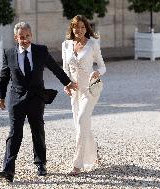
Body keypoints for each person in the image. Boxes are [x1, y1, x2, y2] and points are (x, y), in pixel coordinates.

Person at [0, 22, 78, 182]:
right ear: (16, 37)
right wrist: (1, 96)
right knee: (14, 133)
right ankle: (8, 169)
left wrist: (67, 83)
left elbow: (55, 67)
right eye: (21, 37)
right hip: (16, 99)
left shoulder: (41, 51)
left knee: (37, 131)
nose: (25, 40)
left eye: (27, 36)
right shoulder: (9, 53)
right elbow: (4, 76)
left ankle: (41, 164)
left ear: (31, 36)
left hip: (36, 98)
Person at [62, 15, 106, 176]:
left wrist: (97, 72)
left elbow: (103, 67)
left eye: (82, 27)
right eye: (76, 27)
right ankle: (94, 152)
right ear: (71, 29)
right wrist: (66, 84)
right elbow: (65, 68)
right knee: (81, 125)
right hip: (74, 91)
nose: (79, 30)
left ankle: (77, 165)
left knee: (81, 122)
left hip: (89, 91)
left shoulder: (93, 44)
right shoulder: (66, 45)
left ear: (86, 28)